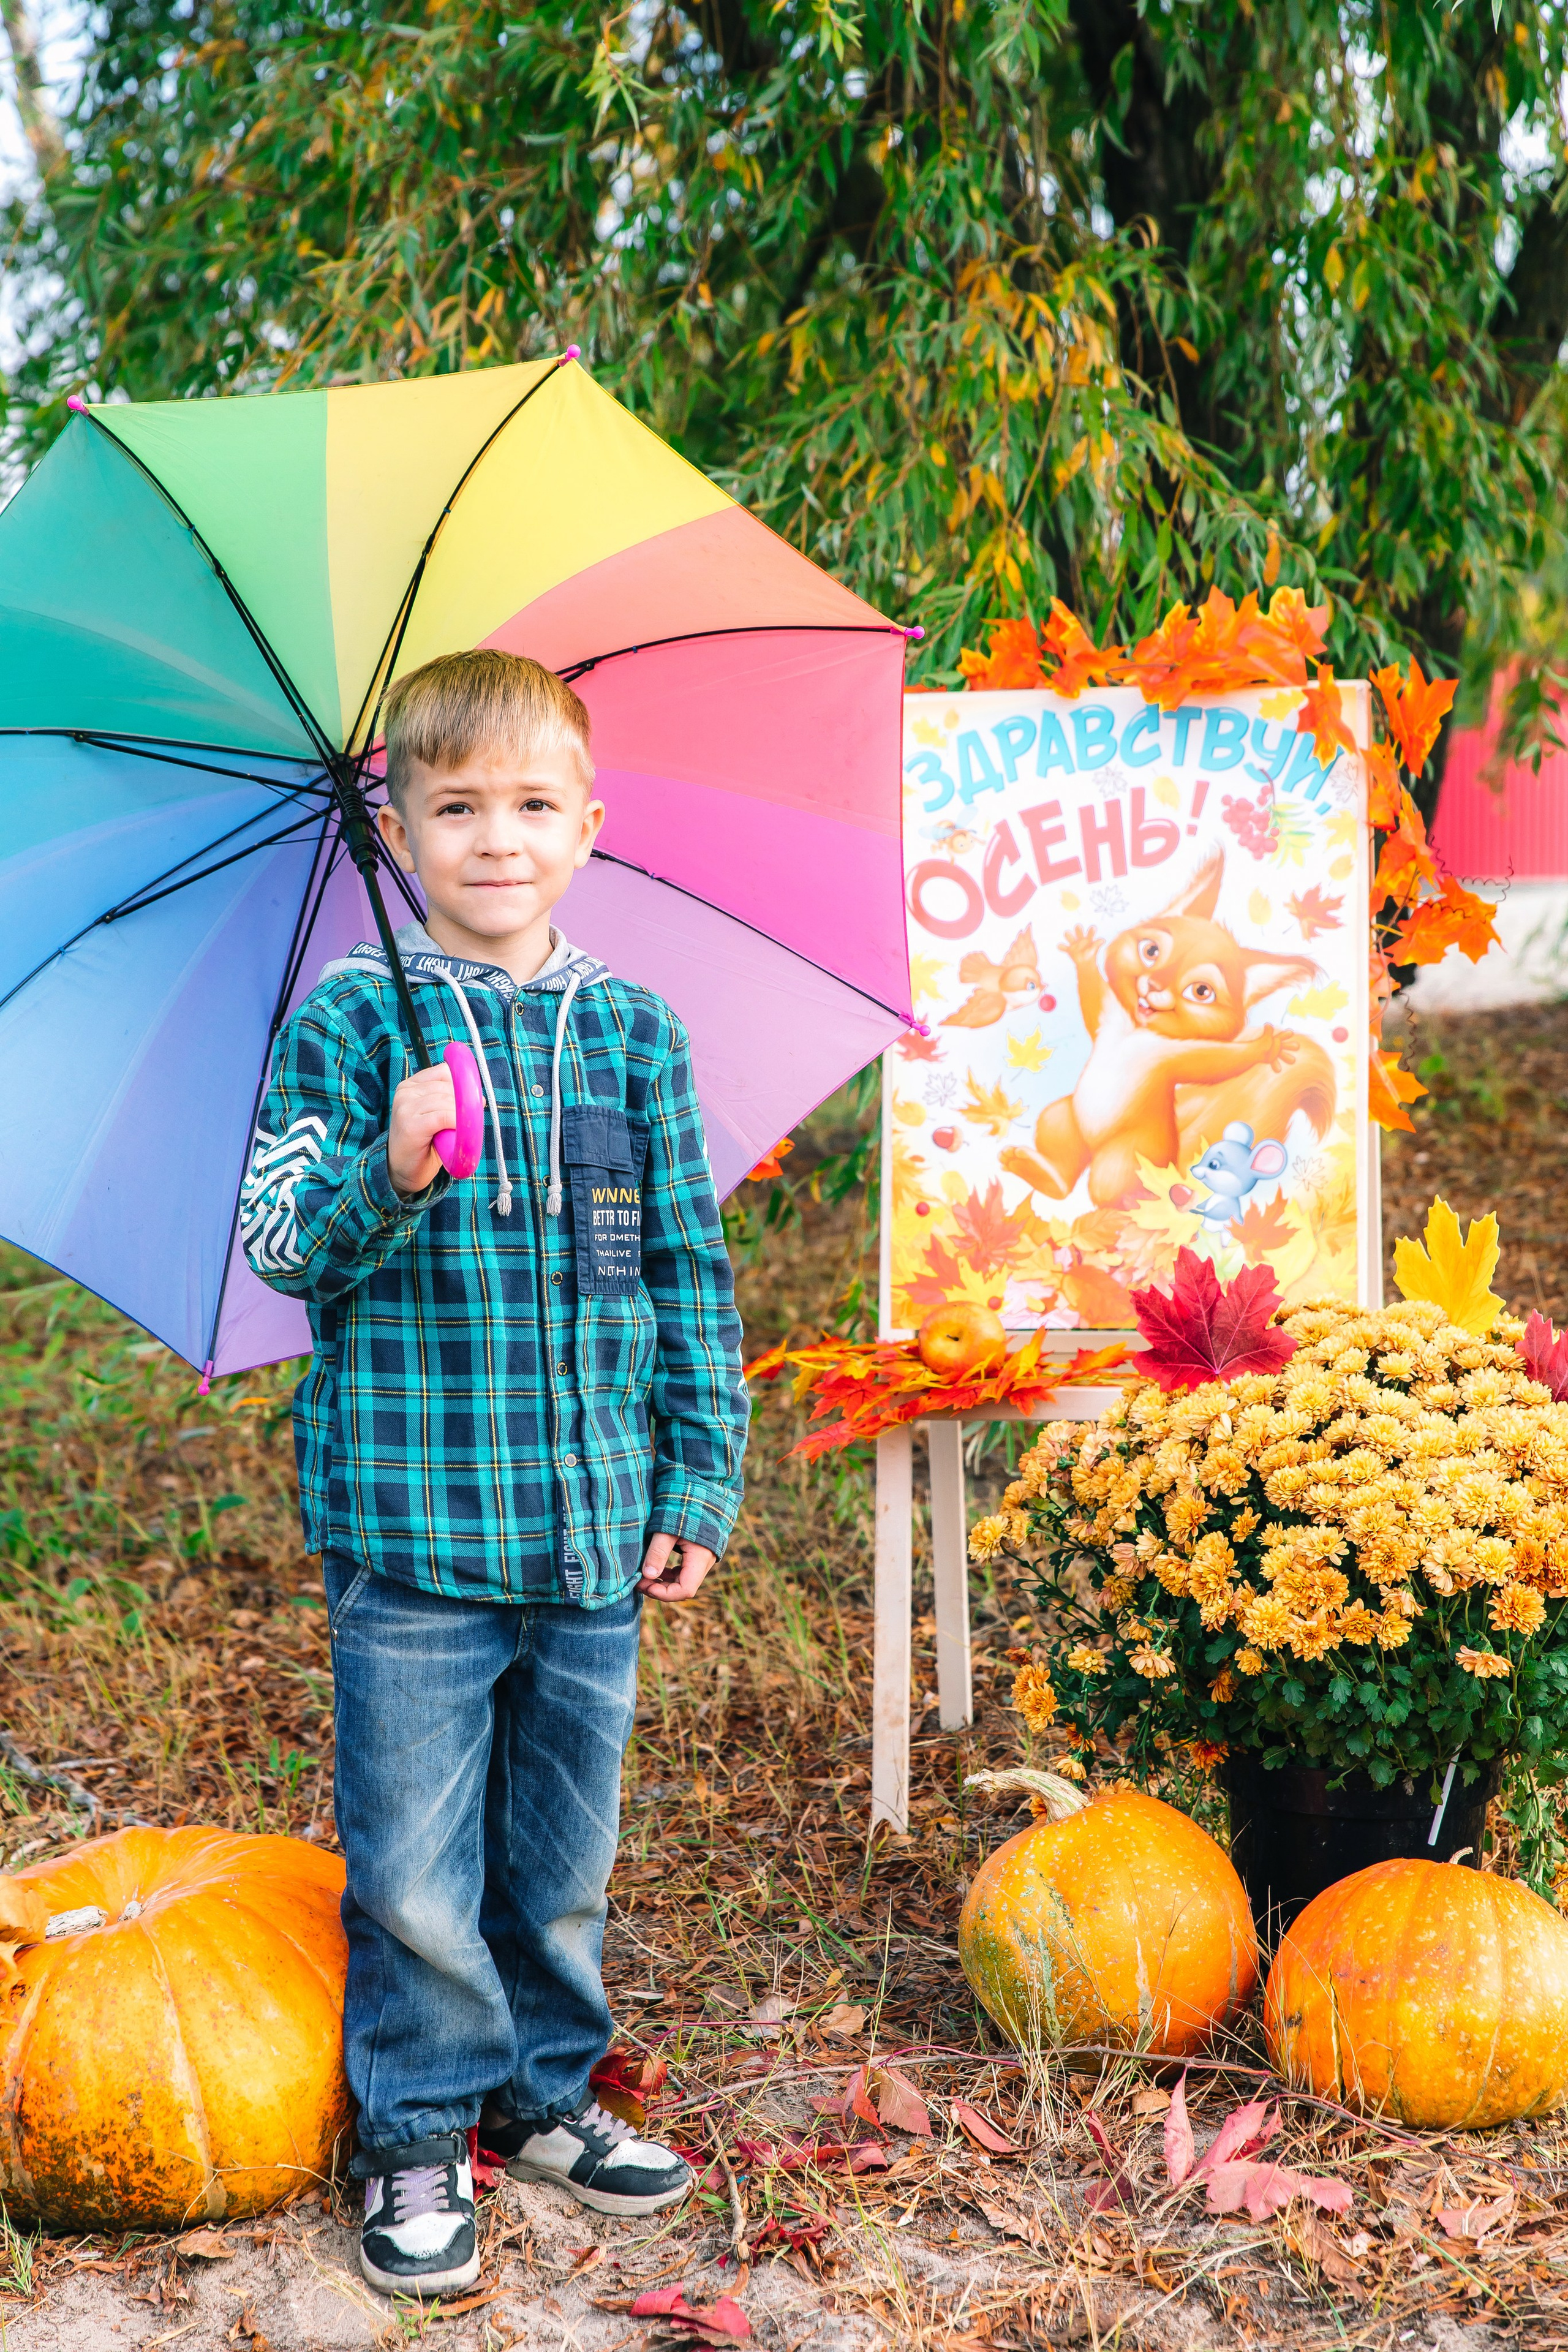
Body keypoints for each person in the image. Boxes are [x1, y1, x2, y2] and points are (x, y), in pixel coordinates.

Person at [240, 650, 748, 2298]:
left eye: (533, 805)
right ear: (398, 827)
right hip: (413, 1531)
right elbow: (280, 1246)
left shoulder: (633, 1033)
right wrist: (390, 1168)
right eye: (456, 807)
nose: (498, 838)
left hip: (595, 1525)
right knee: (409, 1861)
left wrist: (696, 1478)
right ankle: (413, 2132)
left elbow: (683, 1264)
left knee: (560, 1851)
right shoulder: (351, 1018)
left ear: (589, 825)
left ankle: (543, 2094)